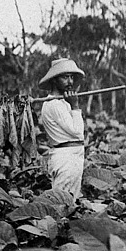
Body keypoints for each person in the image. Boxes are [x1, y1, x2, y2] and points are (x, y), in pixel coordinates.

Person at [38, 58, 86, 200]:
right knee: (63, 202)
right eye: (65, 77)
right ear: (54, 80)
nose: (70, 82)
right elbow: (77, 132)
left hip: (71, 155)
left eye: (71, 77)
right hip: (66, 158)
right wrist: (75, 106)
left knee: (69, 200)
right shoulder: (54, 104)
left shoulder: (61, 102)